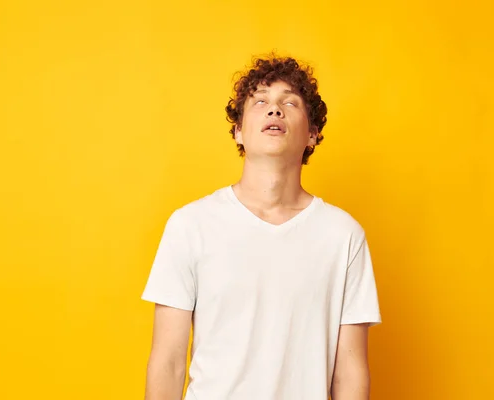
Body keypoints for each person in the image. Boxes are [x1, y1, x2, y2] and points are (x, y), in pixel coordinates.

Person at [141, 54, 382, 400]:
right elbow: (168, 361)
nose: (274, 110)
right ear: (238, 131)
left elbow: (350, 371)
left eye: (289, 102)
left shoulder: (343, 236)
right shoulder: (190, 225)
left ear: (313, 135)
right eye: (260, 102)